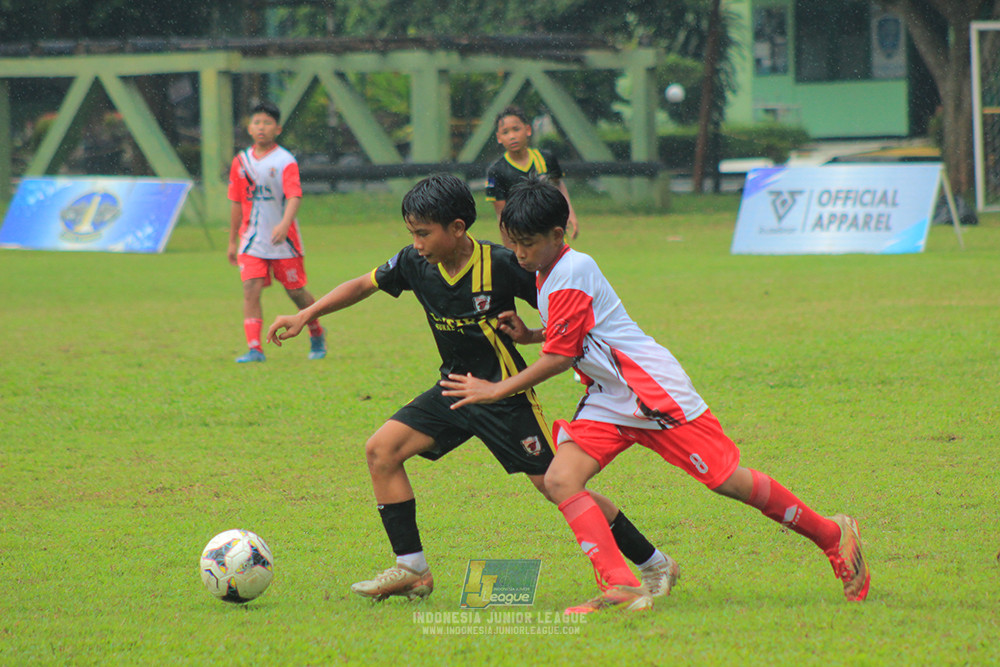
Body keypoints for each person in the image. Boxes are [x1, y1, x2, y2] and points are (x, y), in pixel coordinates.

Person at [440, 178, 871, 614]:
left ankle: (831, 535)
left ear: (558, 235)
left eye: (527, 244)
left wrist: (495, 389)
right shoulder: (549, 271)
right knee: (560, 479)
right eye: (513, 245)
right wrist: (533, 334)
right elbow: (580, 332)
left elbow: (560, 358)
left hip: (651, 389)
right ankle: (621, 584)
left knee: (727, 481)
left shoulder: (571, 271)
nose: (519, 255)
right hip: (609, 396)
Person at [266, 174, 677, 602]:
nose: (417, 243)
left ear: (458, 228)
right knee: (381, 450)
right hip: (455, 390)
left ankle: (653, 562)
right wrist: (306, 315)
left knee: (559, 486)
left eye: (424, 233)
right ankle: (412, 569)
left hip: (506, 397)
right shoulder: (413, 263)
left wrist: (534, 334)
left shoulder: (505, 265)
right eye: (412, 233)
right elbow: (363, 285)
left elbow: (565, 316)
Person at [227, 100, 326, 363]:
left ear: (277, 128)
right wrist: (232, 241)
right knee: (251, 289)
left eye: (267, 123)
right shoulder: (241, 162)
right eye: (257, 122)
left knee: (295, 292)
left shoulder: (285, 161)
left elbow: (294, 195)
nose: (261, 127)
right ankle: (254, 348)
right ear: (249, 128)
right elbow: (236, 202)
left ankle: (316, 331)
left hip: (284, 242)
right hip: (251, 240)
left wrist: (284, 224)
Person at [485, 106, 579, 241]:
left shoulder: (546, 158)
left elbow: (558, 185)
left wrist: (570, 214)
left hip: (550, 230)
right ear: (499, 138)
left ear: (528, 130)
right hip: (523, 237)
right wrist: (512, 252)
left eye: (516, 129)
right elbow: (502, 215)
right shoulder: (496, 171)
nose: (512, 136)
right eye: (505, 132)